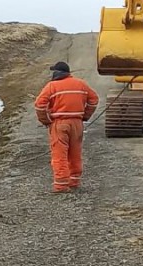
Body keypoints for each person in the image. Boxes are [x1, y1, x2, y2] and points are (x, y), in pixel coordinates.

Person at [34, 61, 100, 193]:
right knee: (75, 153)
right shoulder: (81, 84)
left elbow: (39, 105)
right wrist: (85, 116)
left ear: (57, 73)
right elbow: (94, 99)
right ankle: (74, 181)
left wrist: (46, 121)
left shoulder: (51, 86)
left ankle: (61, 185)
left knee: (59, 155)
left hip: (59, 123)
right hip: (77, 123)